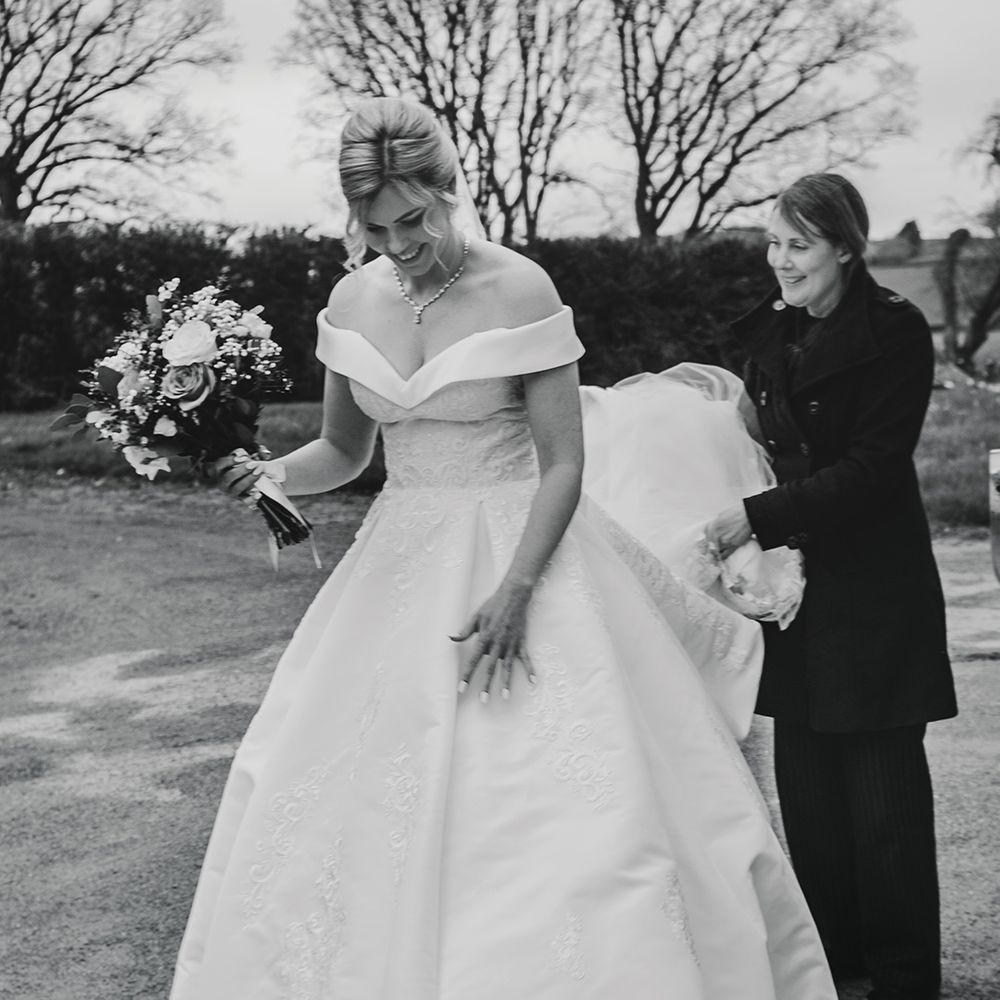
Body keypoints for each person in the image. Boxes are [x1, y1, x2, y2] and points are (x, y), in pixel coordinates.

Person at [169, 97, 837, 999]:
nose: (401, 243)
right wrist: (266, 472)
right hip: (401, 559)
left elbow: (565, 462)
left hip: (530, 544)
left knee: (577, 804)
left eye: (416, 219)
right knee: (351, 786)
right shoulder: (350, 299)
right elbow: (345, 452)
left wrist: (519, 590)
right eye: (377, 227)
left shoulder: (519, 288)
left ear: (449, 192)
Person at [706, 173, 958, 1000]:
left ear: (846, 247)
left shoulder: (895, 332)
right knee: (811, 808)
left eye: (798, 245)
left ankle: (903, 979)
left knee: (883, 809)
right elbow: (761, 440)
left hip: (874, 595)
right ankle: (839, 975)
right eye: (773, 243)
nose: (780, 261)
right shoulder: (774, 336)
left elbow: (876, 469)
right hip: (796, 596)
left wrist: (758, 515)